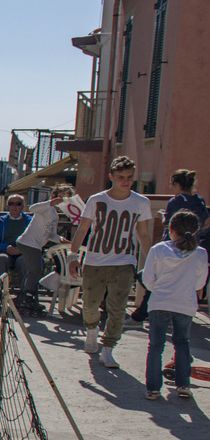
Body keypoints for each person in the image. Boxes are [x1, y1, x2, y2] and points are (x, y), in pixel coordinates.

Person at [70, 156, 152, 370]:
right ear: (111, 177)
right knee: (89, 304)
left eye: (129, 178)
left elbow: (143, 234)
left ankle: (108, 349)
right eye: (121, 177)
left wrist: (153, 262)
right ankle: (91, 330)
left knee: (118, 308)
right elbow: (83, 229)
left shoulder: (141, 202)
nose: (126, 181)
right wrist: (73, 256)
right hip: (95, 261)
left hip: (125, 262)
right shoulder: (97, 200)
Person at [141, 211, 207, 400]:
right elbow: (200, 283)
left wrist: (159, 290)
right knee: (182, 343)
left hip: (159, 301)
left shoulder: (158, 249)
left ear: (170, 228)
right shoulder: (201, 253)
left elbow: (147, 279)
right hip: (185, 303)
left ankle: (153, 389)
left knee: (155, 346)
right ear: (195, 231)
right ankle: (183, 384)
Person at [131, 169, 207, 324]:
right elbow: (206, 219)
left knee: (151, 277)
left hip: (172, 246)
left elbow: (167, 222)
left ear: (176, 184)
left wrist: (164, 216)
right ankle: (143, 314)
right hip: (192, 246)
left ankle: (142, 315)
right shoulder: (199, 200)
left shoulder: (176, 201)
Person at [10, 192, 62, 315]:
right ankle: (26, 298)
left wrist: (62, 239)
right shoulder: (46, 208)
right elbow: (32, 208)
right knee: (35, 270)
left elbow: (51, 235)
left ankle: (26, 297)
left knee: (34, 270)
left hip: (36, 244)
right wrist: (50, 202)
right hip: (29, 242)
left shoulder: (55, 215)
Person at [0, 195, 31, 284]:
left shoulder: (30, 222)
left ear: (22, 206)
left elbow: (36, 239)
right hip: (4, 251)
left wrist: (22, 249)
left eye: (18, 204)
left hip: (24, 252)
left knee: (24, 261)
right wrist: (6, 247)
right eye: (11, 204)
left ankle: (25, 294)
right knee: (1, 259)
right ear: (7, 206)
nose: (14, 207)